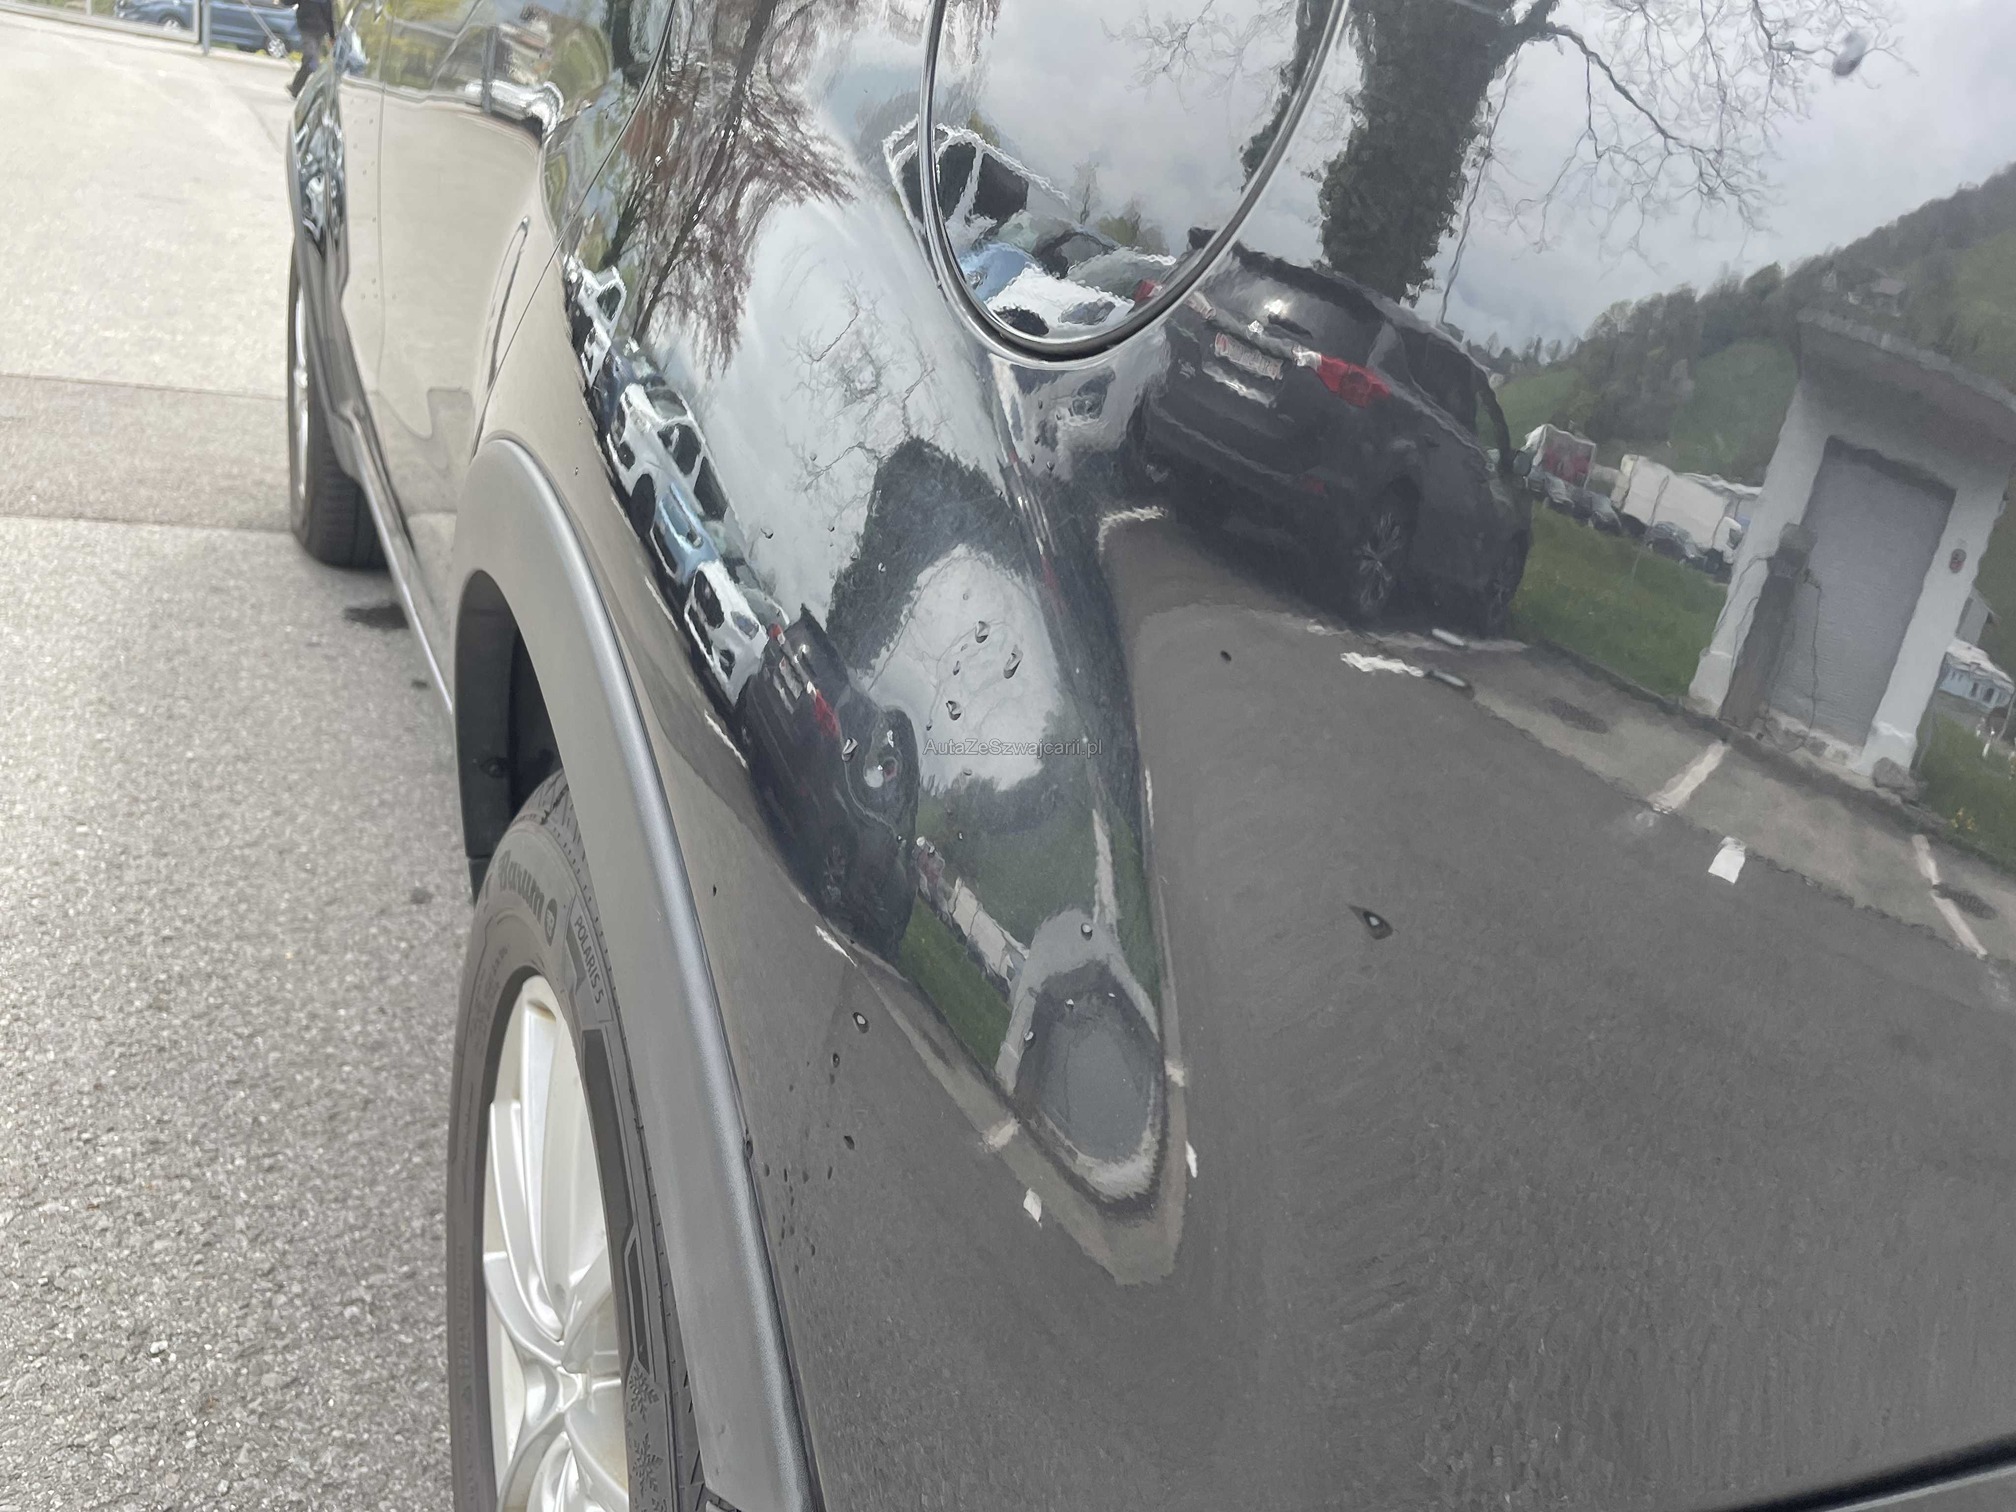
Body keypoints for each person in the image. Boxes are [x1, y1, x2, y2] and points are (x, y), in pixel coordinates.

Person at [288, 0, 333, 97]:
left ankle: (295, 88)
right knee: (310, 57)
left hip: (320, 31)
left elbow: (330, 15)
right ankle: (298, 88)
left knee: (309, 62)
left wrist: (332, 35)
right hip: (306, 29)